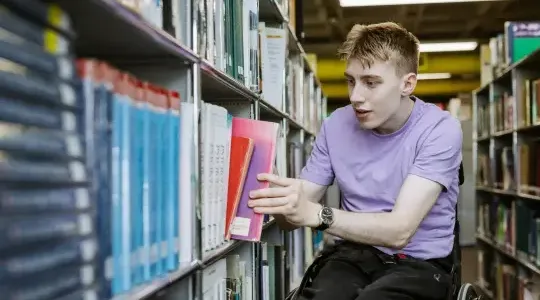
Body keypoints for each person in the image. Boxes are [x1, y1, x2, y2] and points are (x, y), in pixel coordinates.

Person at [248, 21, 463, 300]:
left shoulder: (441, 129)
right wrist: (277, 194)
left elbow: (400, 231)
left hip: (420, 261)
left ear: (407, 84)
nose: (355, 96)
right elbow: (292, 219)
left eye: (370, 83)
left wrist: (317, 214)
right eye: (351, 80)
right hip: (352, 255)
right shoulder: (335, 125)